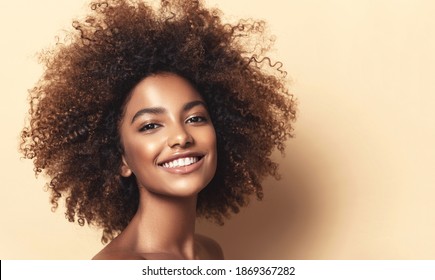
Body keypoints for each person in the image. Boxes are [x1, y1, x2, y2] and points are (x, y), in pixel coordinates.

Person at [20, 0, 296, 259]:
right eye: (151, 125)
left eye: (196, 118)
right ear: (120, 158)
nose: (181, 137)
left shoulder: (210, 252)